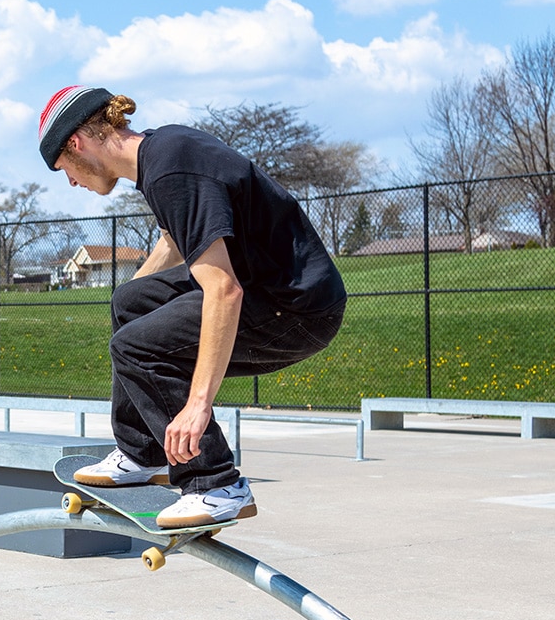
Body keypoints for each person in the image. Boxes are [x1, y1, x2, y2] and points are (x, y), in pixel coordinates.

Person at [36, 86, 346, 527]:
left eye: (63, 168)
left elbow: (224, 290)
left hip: (294, 307)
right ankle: (142, 454)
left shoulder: (169, 173)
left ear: (76, 143)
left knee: (136, 347)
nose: (70, 180)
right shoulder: (164, 150)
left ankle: (215, 483)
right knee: (129, 303)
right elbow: (172, 242)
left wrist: (197, 404)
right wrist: (135, 315)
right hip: (274, 287)